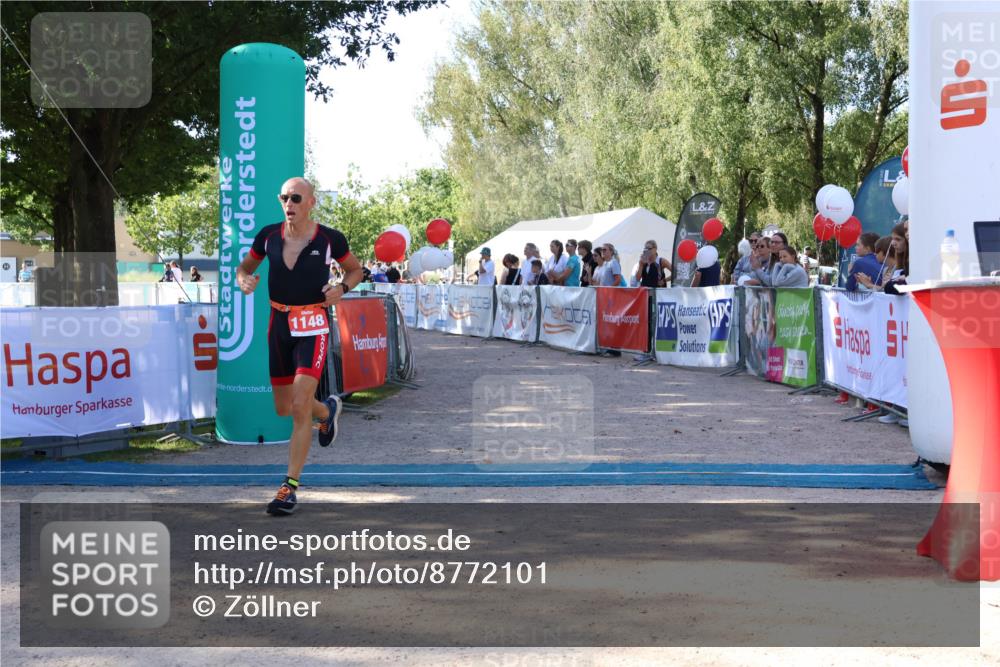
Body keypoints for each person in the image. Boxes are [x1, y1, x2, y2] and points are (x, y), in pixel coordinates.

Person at [236, 176, 364, 516]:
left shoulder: (329, 238)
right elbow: (245, 267)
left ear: (311, 203)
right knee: (285, 408)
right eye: (284, 198)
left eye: (295, 198)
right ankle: (327, 412)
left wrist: (342, 289)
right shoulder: (267, 236)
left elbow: (355, 270)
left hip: (313, 324)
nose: (288, 204)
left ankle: (288, 488)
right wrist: (243, 279)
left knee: (298, 403)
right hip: (278, 324)